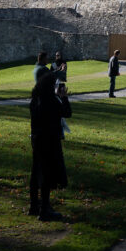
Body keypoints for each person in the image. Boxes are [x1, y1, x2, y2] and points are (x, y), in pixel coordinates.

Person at [29, 71, 71, 221]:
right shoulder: (51, 101)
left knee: (36, 172)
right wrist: (64, 98)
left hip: (37, 139)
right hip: (50, 140)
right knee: (47, 174)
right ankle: (44, 209)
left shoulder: (35, 99)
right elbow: (66, 113)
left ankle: (34, 205)